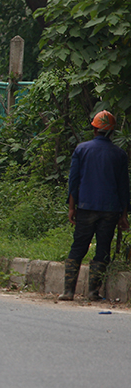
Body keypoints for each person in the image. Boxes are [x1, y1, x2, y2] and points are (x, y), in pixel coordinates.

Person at [60, 110, 130, 301]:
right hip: (110, 210)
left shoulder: (82, 150)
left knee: (78, 246)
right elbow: (124, 188)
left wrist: (72, 208)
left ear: (94, 129)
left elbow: (73, 182)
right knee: (103, 249)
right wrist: (124, 216)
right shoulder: (119, 154)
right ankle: (92, 292)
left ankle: (68, 291)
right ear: (112, 132)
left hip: (86, 207)